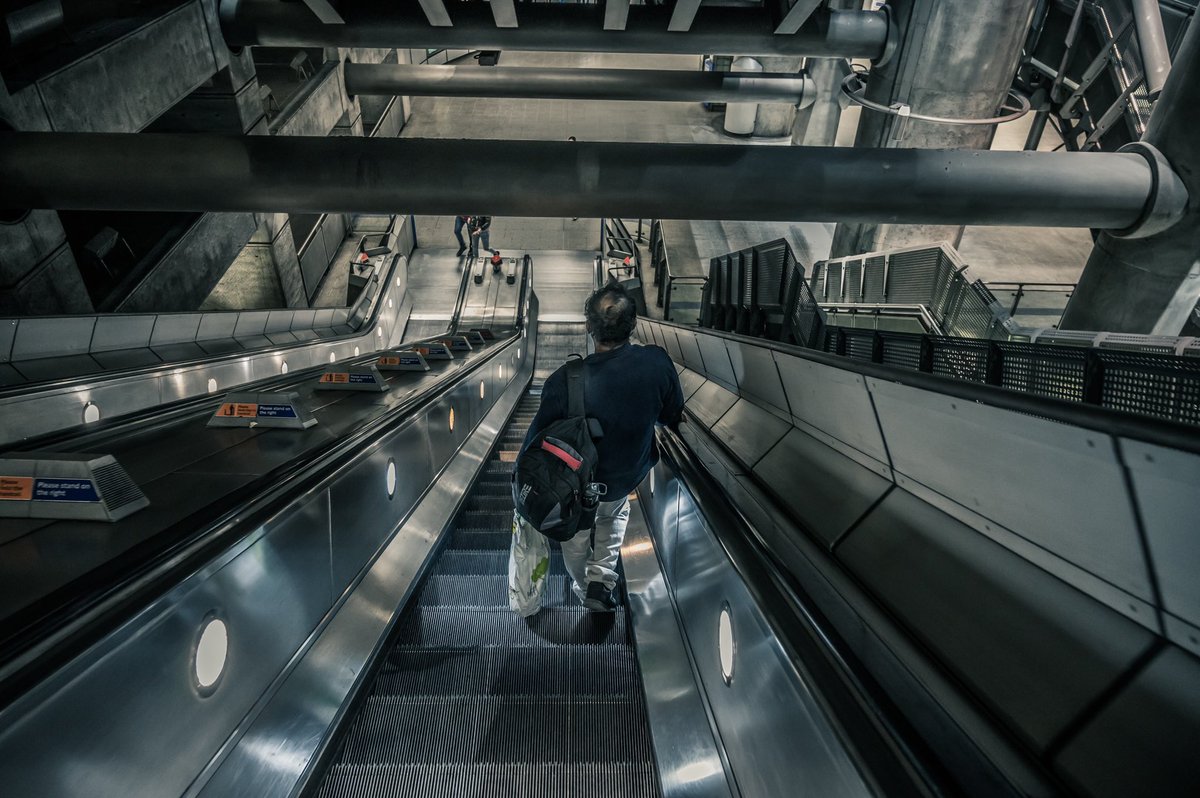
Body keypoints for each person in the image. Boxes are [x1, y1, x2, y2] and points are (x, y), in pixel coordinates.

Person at [519, 283, 684, 611]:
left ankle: (583, 587)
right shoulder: (657, 364)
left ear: (588, 327)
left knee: (576, 536)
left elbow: (534, 444)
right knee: (615, 513)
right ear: (633, 325)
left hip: (573, 487)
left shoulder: (563, 381)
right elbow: (670, 416)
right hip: (623, 477)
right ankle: (602, 578)